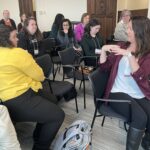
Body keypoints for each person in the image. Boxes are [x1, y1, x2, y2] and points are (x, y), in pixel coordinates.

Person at [0, 25, 65, 150]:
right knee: (58, 115)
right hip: (20, 97)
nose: (17, 40)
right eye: (14, 37)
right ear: (5, 40)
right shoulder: (18, 53)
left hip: (6, 100)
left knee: (52, 100)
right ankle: (40, 147)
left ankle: (38, 135)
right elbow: (40, 76)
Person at [99, 16, 150, 150]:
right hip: (117, 92)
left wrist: (129, 55)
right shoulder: (121, 46)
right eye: (127, 27)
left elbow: (142, 79)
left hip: (137, 93)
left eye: (130, 28)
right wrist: (104, 49)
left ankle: (146, 142)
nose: (126, 31)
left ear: (140, 32)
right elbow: (104, 68)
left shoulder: (147, 55)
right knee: (140, 118)